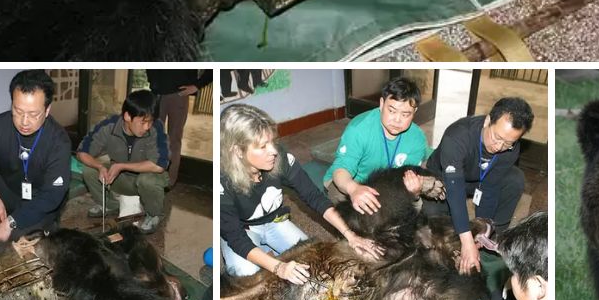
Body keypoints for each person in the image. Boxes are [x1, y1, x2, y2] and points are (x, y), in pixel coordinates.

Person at [219, 104, 383, 280]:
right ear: (237, 151)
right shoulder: (222, 181)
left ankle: (266, 254)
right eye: (262, 146)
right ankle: (266, 256)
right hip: (244, 231)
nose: (273, 151)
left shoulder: (279, 157)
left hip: (275, 222)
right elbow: (236, 237)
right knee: (248, 277)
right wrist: (279, 267)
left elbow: (314, 197)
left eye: (272, 142)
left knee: (312, 261)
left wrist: (350, 235)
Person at [422, 98, 533, 276]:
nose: (499, 146)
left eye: (508, 143)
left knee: (515, 179)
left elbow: (490, 187)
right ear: (488, 120)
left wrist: (483, 227)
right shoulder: (457, 135)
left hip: (478, 181)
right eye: (497, 137)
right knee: (433, 220)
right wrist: (466, 240)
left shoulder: (510, 148)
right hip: (445, 180)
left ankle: (497, 238)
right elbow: (454, 189)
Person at [0, 70, 71, 241]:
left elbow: (52, 195)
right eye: (18, 111)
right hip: (10, 190)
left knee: (19, 240)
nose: (24, 121)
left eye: (34, 114)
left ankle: (17, 236)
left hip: (39, 201)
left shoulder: (59, 141)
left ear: (47, 110)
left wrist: (11, 223)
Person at [324, 76, 430, 211]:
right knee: (350, 206)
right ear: (381, 104)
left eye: (405, 114)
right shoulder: (359, 129)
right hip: (355, 181)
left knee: (415, 207)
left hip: (389, 186)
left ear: (414, 112)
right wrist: (354, 189)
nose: (397, 120)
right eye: (391, 111)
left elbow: (408, 180)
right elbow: (341, 170)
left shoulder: (417, 138)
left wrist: (414, 192)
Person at [76, 88, 169, 234]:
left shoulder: (156, 128)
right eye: (143, 122)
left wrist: (122, 165)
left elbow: (159, 165)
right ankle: (109, 205)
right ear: (127, 116)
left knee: (148, 181)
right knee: (89, 170)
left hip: (144, 179)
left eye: (150, 122)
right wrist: (100, 166)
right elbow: (82, 152)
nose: (147, 127)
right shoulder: (109, 126)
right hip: (119, 179)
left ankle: (153, 214)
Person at [146, 69, 212, 187]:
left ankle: (168, 181)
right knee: (152, 137)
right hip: (156, 94)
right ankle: (150, 175)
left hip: (179, 93)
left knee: (174, 140)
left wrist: (198, 85)